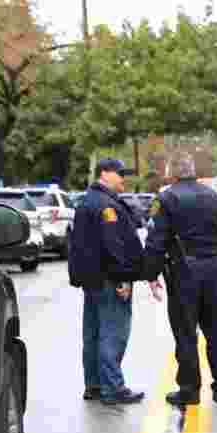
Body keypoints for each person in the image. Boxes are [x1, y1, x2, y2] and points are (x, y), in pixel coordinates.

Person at [143, 154, 217, 406]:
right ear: (193, 172)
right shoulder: (212, 196)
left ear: (172, 173)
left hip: (185, 270)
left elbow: (156, 240)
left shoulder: (166, 198)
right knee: (215, 328)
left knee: (185, 333)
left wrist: (150, 274)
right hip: (214, 268)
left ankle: (189, 389)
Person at [69, 158, 152, 406]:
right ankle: (113, 387)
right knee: (112, 334)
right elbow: (113, 246)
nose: (123, 179)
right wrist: (123, 277)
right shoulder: (106, 206)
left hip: (92, 280)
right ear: (104, 174)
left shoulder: (88, 201)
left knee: (93, 334)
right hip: (109, 280)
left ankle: (94, 384)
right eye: (120, 174)